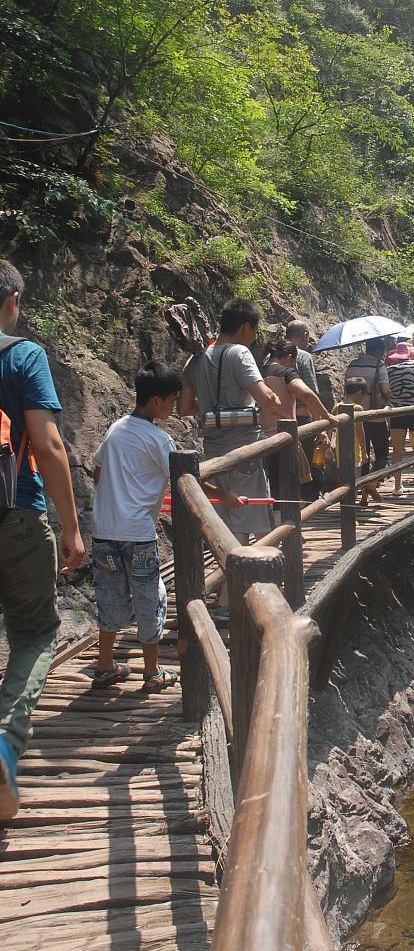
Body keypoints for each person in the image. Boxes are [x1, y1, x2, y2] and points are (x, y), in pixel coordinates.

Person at [90, 362, 242, 688]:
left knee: (111, 596)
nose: (174, 407)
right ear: (156, 401)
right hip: (138, 535)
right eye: (173, 400)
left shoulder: (115, 429)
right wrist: (225, 495)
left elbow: (99, 472)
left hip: (103, 531)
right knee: (149, 597)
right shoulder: (159, 440)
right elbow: (186, 479)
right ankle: (152, 671)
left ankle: (104, 664)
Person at [0, 259, 84, 820]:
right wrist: (74, 527)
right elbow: (48, 446)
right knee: (34, 632)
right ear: (12, 299)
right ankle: (6, 743)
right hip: (18, 516)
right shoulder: (23, 355)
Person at [178, 298, 282, 614]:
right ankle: (238, 598)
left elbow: (183, 409)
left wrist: (213, 411)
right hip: (245, 454)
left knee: (228, 523)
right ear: (245, 327)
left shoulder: (195, 360)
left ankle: (227, 597)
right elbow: (266, 398)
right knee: (259, 525)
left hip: (213, 455)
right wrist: (272, 400)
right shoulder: (239, 353)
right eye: (254, 330)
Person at [260, 339, 337, 501]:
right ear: (288, 357)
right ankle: (296, 521)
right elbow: (307, 394)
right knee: (296, 485)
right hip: (284, 438)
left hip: (259, 438)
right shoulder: (286, 373)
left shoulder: (257, 373)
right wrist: (326, 415)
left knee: (275, 488)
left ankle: (280, 520)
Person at [386, 341, 414, 496]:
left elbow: (387, 392)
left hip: (397, 412)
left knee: (397, 451)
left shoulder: (389, 370)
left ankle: (397, 486)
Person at [285, 320, 321, 501]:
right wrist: (320, 423)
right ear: (305, 335)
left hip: (277, 420)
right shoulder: (303, 356)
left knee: (285, 466)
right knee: (305, 466)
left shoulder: (272, 355)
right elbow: (311, 392)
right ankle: (307, 506)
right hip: (302, 418)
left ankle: (286, 506)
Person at [345, 337, 391, 472]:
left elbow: (346, 389)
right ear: (378, 351)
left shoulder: (352, 365)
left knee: (361, 453)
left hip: (356, 415)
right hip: (376, 416)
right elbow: (385, 390)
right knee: (382, 454)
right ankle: (374, 483)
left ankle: (363, 484)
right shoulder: (380, 365)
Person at [334, 378, 381, 506]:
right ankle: (351, 507)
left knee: (344, 481)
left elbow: (328, 426)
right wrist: (365, 451)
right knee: (355, 480)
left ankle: (352, 502)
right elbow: (360, 431)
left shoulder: (337, 406)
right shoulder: (358, 408)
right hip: (354, 450)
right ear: (359, 393)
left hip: (340, 450)